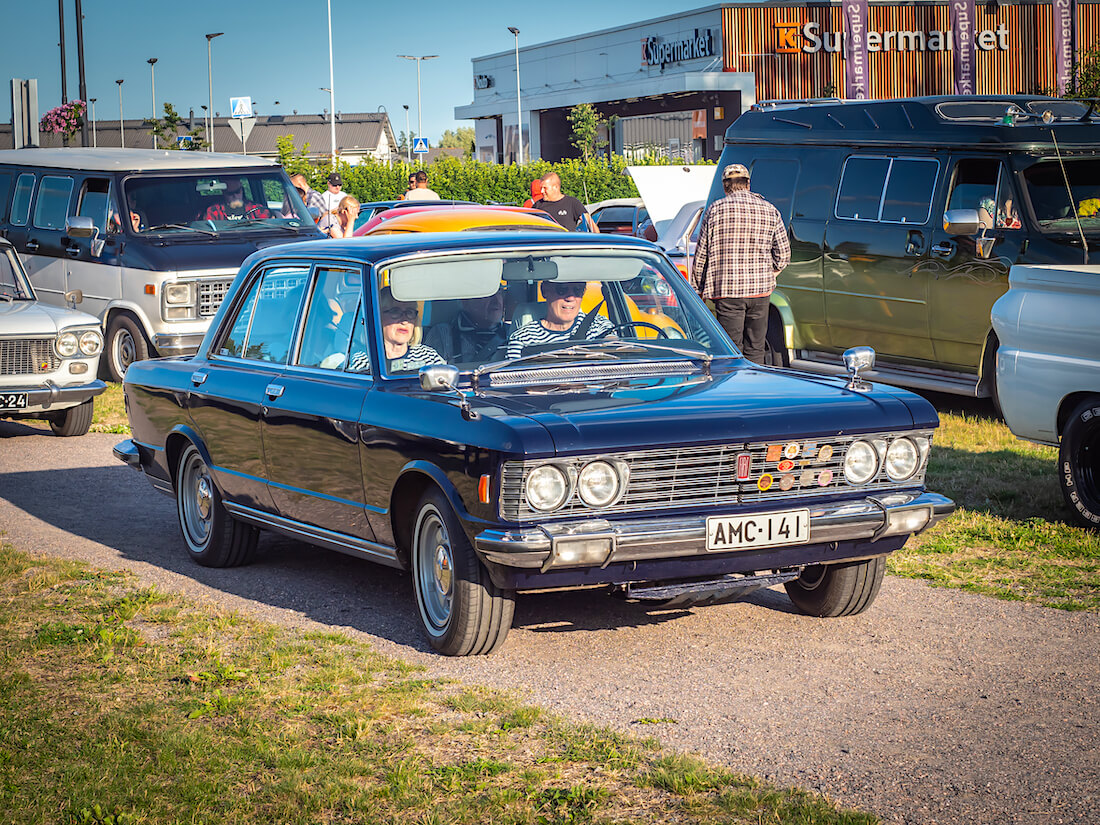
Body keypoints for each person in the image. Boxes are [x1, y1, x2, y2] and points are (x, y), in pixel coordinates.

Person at [690, 163, 790, 365]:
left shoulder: (714, 211)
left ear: (725, 186)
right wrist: (770, 273)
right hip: (760, 292)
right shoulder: (769, 210)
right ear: (748, 184)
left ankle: (734, 388)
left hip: (727, 291)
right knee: (756, 348)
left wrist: (697, 290)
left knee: (731, 349)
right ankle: (754, 387)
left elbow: (701, 255)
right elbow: (783, 255)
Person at [506, 281, 614, 359]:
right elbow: (513, 382)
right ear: (545, 291)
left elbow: (616, 348)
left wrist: (608, 347)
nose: (571, 298)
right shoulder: (523, 339)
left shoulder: (597, 325)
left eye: (578, 290)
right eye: (562, 290)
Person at [350, 287, 444, 373]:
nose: (404, 320)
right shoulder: (364, 361)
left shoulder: (428, 356)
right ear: (378, 317)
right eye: (395, 311)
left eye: (409, 312)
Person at [424, 290, 509, 364]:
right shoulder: (442, 334)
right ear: (465, 301)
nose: (496, 300)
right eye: (489, 295)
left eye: (499, 293)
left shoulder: (512, 334)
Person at [532, 172, 597, 231]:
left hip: (567, 243)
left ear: (556, 187)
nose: (542, 191)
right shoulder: (538, 206)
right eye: (541, 188)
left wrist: (597, 240)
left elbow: (590, 224)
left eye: (545, 188)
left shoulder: (572, 203)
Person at [204, 177, 271, 221]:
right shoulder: (214, 211)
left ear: (242, 190)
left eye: (237, 192)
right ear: (223, 193)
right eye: (230, 193)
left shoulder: (257, 209)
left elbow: (268, 227)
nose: (235, 196)